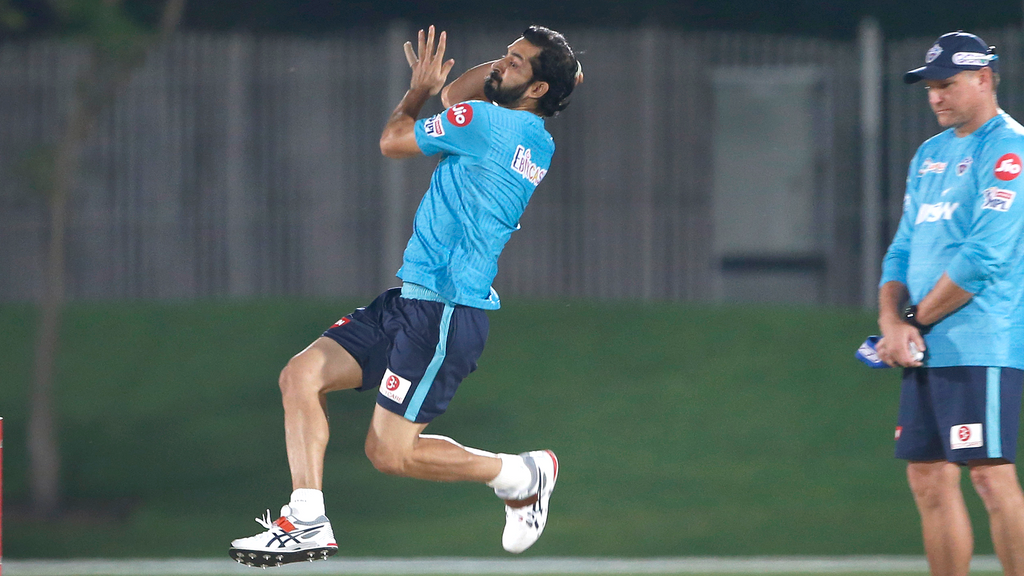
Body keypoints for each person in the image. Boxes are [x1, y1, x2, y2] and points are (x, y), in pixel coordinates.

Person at [229, 25, 583, 567]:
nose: (500, 64)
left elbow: (395, 140)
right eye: (505, 55)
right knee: (301, 375)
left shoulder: (487, 121)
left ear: (537, 90)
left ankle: (518, 473)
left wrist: (416, 90)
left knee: (389, 454)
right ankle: (305, 519)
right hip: (411, 298)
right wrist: (536, 68)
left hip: (444, 309)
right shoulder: (537, 137)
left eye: (514, 62)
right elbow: (461, 98)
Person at [877, 31, 1024, 576]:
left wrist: (912, 322)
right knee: (928, 477)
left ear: (983, 79)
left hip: (981, 339)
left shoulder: (1010, 148)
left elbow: (983, 256)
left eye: (947, 84)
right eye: (930, 87)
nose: (936, 96)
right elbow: (902, 247)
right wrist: (891, 321)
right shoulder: (931, 154)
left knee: (988, 474)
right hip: (923, 342)